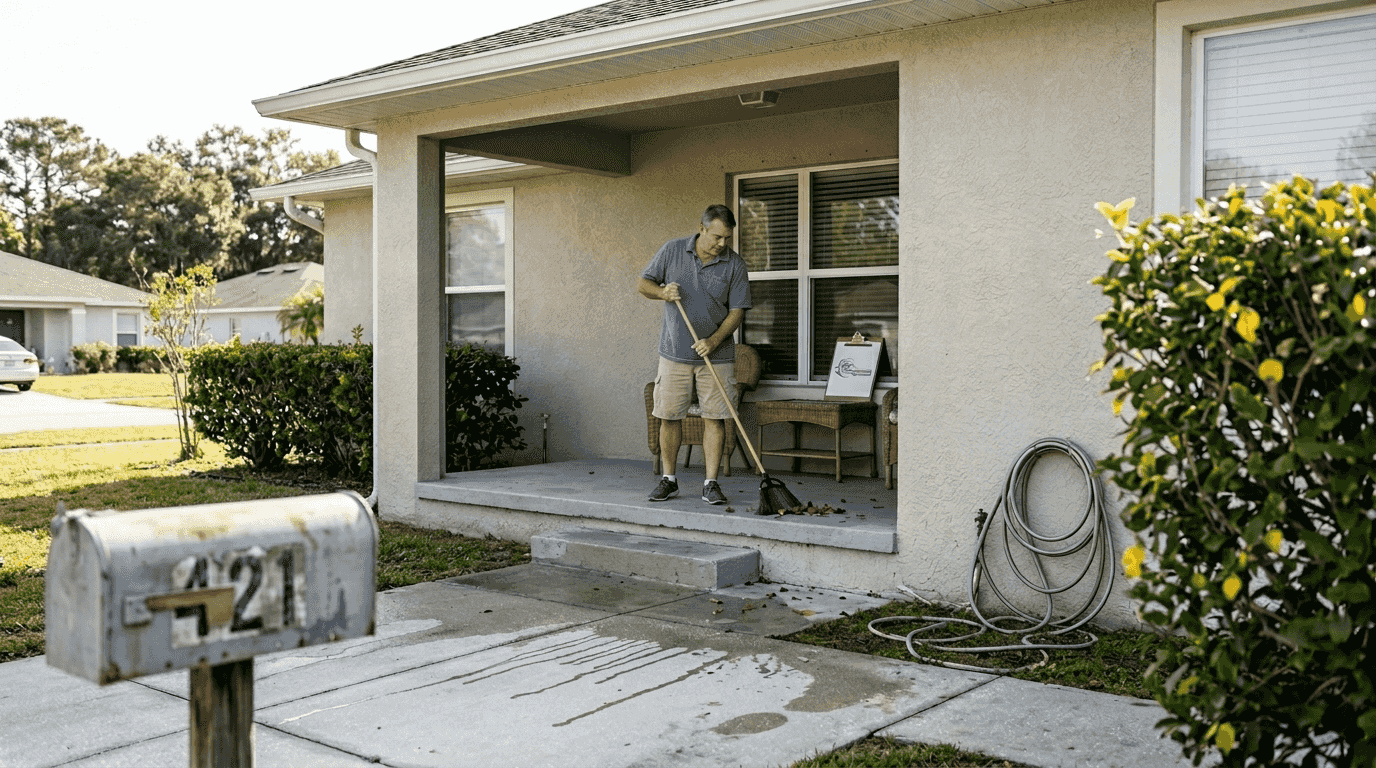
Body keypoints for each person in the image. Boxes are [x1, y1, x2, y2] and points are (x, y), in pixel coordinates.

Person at [637, 204, 751, 504]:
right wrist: (662, 292)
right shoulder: (672, 251)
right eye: (717, 237)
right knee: (669, 416)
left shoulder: (735, 265)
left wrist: (713, 341)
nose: (722, 244)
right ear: (702, 228)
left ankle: (710, 483)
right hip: (674, 353)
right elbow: (644, 283)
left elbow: (738, 311)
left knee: (715, 418)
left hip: (717, 355)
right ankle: (669, 480)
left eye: (727, 238)